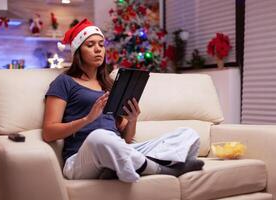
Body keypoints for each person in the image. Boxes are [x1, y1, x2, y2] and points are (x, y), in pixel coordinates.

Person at [43, 18, 204, 183]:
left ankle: (116, 167)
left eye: (101, 44)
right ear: (78, 51)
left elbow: (125, 140)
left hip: (118, 149)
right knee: (99, 136)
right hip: (80, 159)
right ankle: (161, 169)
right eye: (90, 45)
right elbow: (49, 133)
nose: (98, 49)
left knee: (187, 133)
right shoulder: (64, 82)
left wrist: (132, 120)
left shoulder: (109, 85)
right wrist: (87, 119)